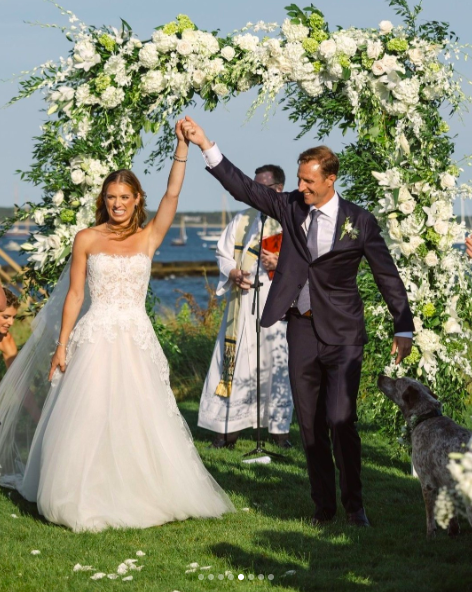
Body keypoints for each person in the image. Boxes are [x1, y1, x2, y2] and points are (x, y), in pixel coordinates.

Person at [0, 120, 234, 532]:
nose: (117, 203)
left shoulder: (149, 237)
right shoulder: (86, 238)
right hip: (95, 335)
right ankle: (82, 493)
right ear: (103, 200)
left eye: (124, 196)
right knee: (87, 412)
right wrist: (61, 344)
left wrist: (183, 147)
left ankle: (141, 489)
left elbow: (173, 193)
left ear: (137, 198)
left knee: (140, 413)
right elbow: (74, 296)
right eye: (111, 197)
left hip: (136, 336)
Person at [182, 116, 414, 528]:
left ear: (331, 179)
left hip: (343, 335)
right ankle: (323, 507)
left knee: (341, 420)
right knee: (309, 425)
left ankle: (355, 504)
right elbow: (245, 187)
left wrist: (403, 326)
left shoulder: (358, 221)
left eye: (309, 182)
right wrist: (205, 145)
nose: (301, 188)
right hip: (301, 328)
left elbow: (386, 274)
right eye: (300, 181)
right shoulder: (290, 206)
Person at [198, 165, 293, 449]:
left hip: (275, 308)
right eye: (252, 186)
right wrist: (232, 273)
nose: (253, 192)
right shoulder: (242, 219)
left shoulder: (291, 219)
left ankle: (278, 431)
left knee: (276, 365)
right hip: (241, 307)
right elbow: (223, 253)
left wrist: (280, 264)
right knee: (235, 364)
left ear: (278, 189)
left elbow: (308, 261)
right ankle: (228, 429)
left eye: (260, 187)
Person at [0, 288, 20, 370]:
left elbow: (16, 373)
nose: (11, 323)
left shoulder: (5, 339)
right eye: (6, 317)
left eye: (13, 317)